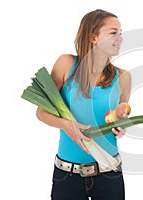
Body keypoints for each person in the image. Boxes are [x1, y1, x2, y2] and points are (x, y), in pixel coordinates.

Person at [36, 9, 131, 200]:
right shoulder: (65, 64)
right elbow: (41, 111)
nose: (120, 38)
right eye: (113, 32)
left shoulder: (123, 77)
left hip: (109, 173)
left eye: (121, 33)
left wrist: (121, 127)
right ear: (94, 37)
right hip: (67, 175)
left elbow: (121, 117)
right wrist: (66, 125)